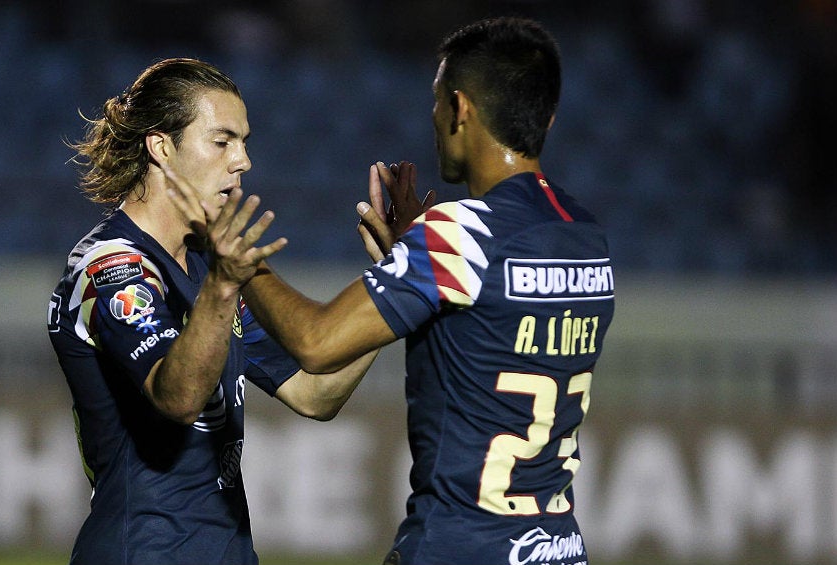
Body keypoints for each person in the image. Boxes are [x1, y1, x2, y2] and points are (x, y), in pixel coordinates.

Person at [176, 16, 615, 565]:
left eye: (436, 102)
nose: (432, 119)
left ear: (459, 109)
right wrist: (407, 259)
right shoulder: (584, 236)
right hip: (557, 547)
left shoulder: (461, 235)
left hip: (458, 548)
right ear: (545, 116)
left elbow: (316, 343)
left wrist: (238, 260)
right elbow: (493, 324)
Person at [46, 57, 378, 565]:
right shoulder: (111, 269)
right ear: (161, 148)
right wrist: (224, 287)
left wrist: (393, 287)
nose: (242, 161)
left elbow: (316, 395)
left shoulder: (208, 264)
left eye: (244, 143)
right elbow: (176, 398)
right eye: (222, 141)